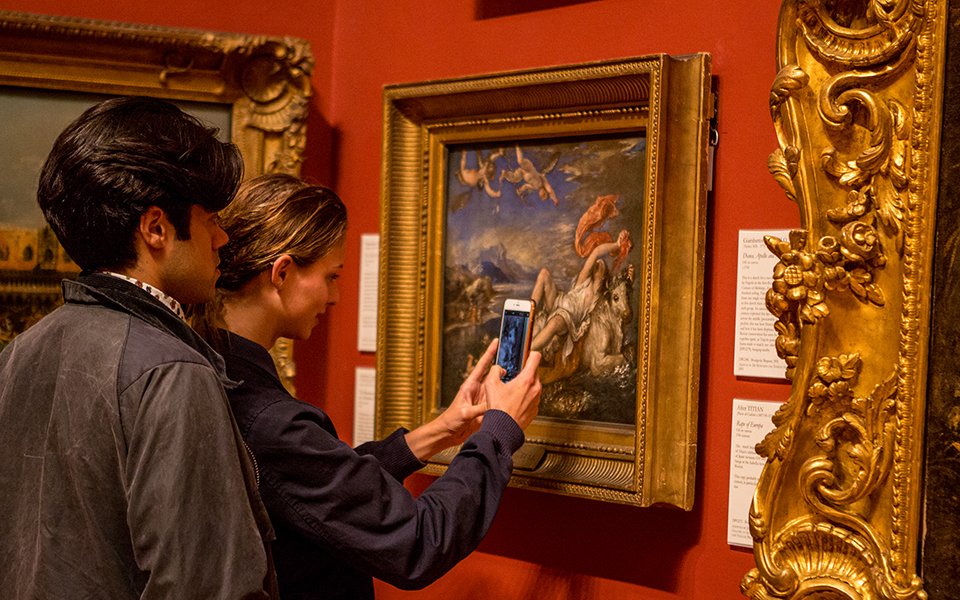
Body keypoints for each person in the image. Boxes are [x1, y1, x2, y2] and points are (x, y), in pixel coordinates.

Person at [193, 173, 542, 599]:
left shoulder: (207, 365)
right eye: (331, 276)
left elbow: (310, 485)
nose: (335, 296)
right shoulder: (267, 417)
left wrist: (437, 433)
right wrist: (500, 431)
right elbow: (418, 542)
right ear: (281, 273)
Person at [0, 97, 277, 599]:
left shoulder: (17, 354)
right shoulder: (171, 370)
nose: (222, 236)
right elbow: (208, 586)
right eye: (211, 217)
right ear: (156, 228)